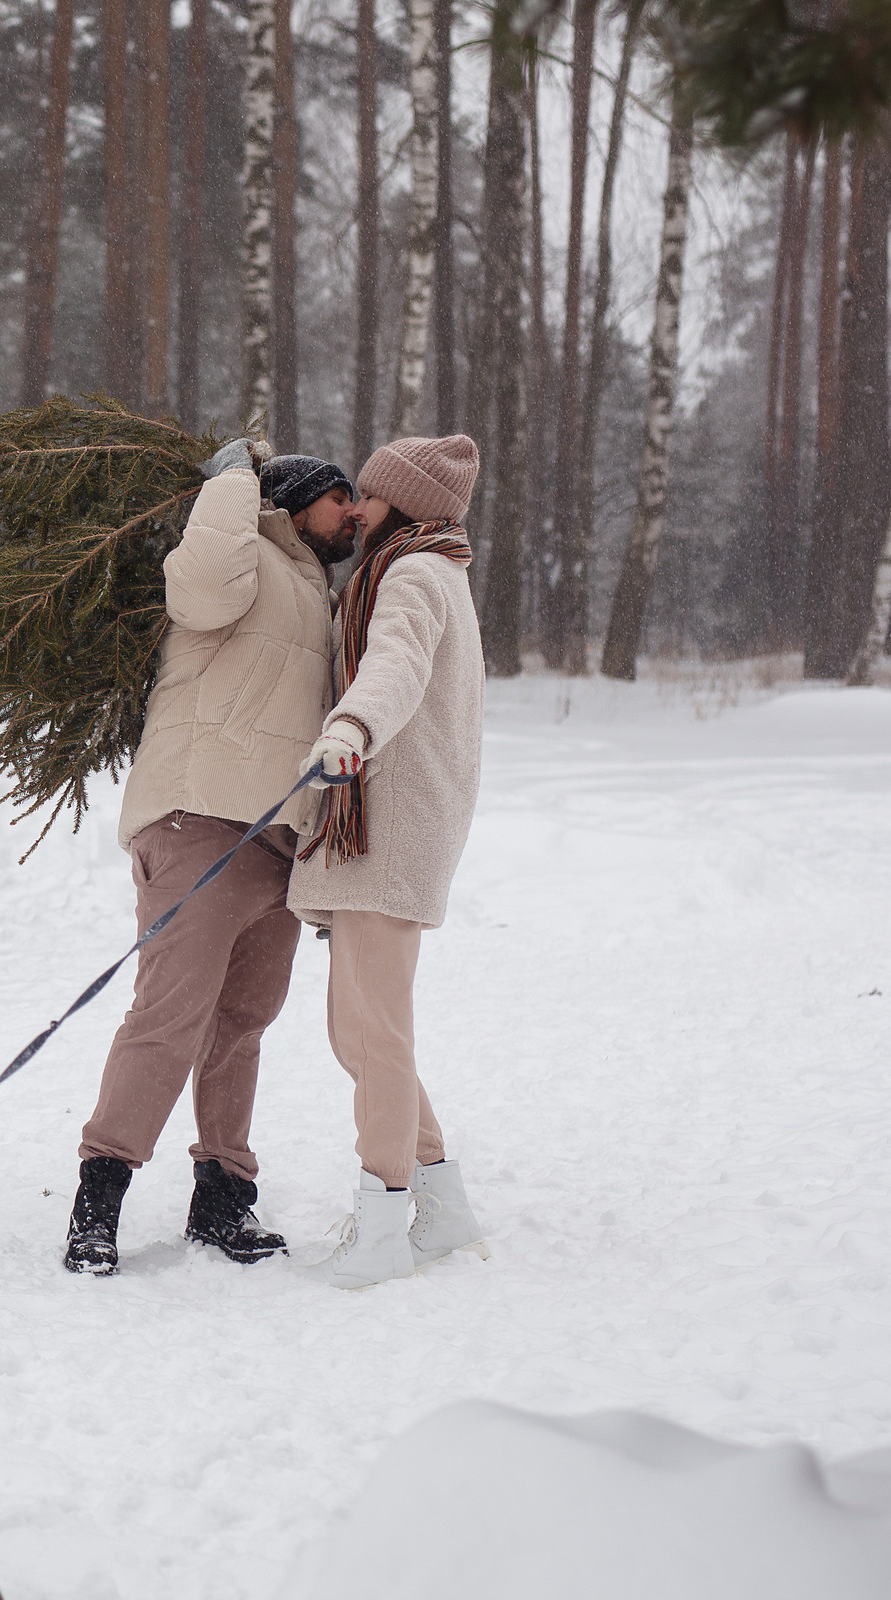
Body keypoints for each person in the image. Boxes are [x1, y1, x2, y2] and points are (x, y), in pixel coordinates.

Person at [62, 443, 361, 1274]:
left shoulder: (316, 587)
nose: (356, 514)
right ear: (297, 501)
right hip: (201, 820)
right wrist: (233, 481)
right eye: (342, 498)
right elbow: (196, 591)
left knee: (242, 1027)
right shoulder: (243, 555)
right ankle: (98, 1203)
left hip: (280, 842)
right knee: (169, 1018)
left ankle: (222, 1201)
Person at [288, 434, 489, 1289]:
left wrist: (350, 729)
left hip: (388, 824)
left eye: (368, 495)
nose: (357, 510)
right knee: (364, 1033)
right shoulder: (427, 569)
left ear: (401, 504)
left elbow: (396, 665)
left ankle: (384, 1220)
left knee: (376, 1033)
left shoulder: (409, 576)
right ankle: (441, 1206)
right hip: (387, 826)